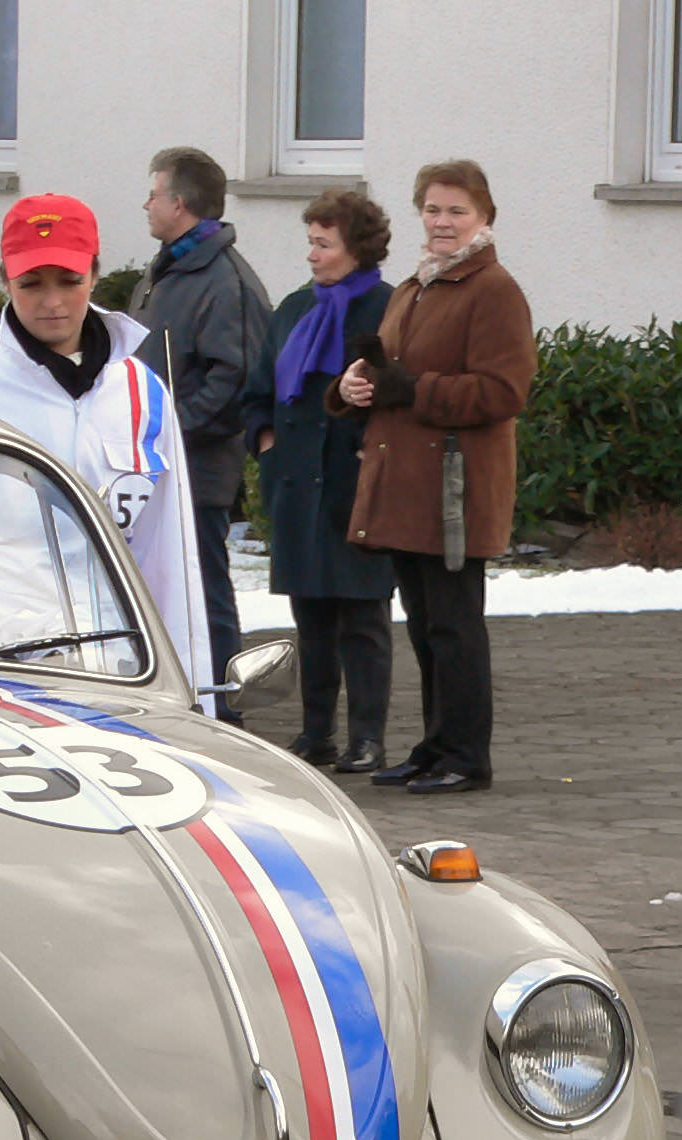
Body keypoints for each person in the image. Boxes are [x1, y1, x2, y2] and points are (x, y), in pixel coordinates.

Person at [0, 192, 213, 701]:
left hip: (111, 669)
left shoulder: (143, 393)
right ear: (5, 282)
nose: (52, 302)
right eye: (31, 283)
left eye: (69, 280)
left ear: (94, 276)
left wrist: (191, 697)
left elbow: (170, 558)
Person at [330, 159, 534, 795]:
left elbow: (503, 391)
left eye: (457, 211)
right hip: (410, 484)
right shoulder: (415, 287)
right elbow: (391, 374)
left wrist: (412, 388)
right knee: (424, 625)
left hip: (455, 490)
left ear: (484, 217)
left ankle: (466, 756)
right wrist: (353, 387)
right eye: (433, 209)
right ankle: (435, 745)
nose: (442, 222)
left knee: (453, 626)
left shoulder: (493, 289)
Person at [243, 187, 397, 772]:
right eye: (310, 242)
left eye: (323, 244)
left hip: (355, 484)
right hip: (295, 483)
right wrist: (266, 445)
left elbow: (401, 391)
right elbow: (258, 389)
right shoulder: (292, 309)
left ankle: (367, 738)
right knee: (310, 617)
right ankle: (316, 733)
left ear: (357, 248)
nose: (312, 254)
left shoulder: (388, 308)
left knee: (362, 616)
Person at [132, 146, 270, 723]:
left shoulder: (223, 280)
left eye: (154, 194)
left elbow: (233, 380)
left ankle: (224, 708)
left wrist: (167, 430)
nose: (146, 204)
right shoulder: (168, 268)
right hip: (154, 462)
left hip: (196, 468)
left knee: (205, 589)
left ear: (180, 203)